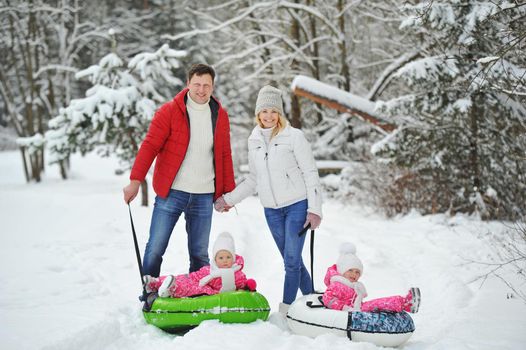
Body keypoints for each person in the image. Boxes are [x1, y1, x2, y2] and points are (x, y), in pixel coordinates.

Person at [214, 85, 323, 314]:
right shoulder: (253, 140)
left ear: (280, 113)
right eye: (265, 111)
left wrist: (314, 209)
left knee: (291, 262)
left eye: (274, 111)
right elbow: (254, 179)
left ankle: (286, 311)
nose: (269, 116)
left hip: (296, 205)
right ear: (258, 113)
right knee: (292, 260)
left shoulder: (294, 137)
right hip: (271, 211)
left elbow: (310, 173)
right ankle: (312, 302)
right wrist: (230, 200)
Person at [123, 64, 235, 277]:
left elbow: (224, 154)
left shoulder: (220, 115)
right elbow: (150, 146)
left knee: (199, 254)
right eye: (197, 84)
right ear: (188, 84)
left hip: (204, 194)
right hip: (172, 192)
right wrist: (135, 180)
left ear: (212, 87)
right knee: (155, 248)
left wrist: (227, 193)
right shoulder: (169, 111)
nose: (201, 90)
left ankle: (200, 295)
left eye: (207, 85)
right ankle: (149, 293)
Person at [143, 232, 257, 298]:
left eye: (228, 257)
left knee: (194, 289)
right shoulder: (210, 270)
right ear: (215, 259)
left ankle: (171, 289)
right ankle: (155, 282)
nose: (225, 261)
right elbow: (195, 277)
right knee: (183, 279)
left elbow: (243, 285)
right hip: (204, 284)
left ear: (233, 258)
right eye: (221, 258)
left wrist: (248, 287)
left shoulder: (237, 273)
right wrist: (187, 278)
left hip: (214, 293)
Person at [322, 242, 421, 313]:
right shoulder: (337, 284)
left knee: (378, 304)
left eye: (357, 272)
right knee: (377, 304)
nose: (354, 274)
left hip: (357, 309)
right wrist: (344, 308)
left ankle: (406, 303)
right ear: (342, 271)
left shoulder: (354, 286)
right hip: (350, 312)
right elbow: (327, 298)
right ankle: (406, 303)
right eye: (350, 270)